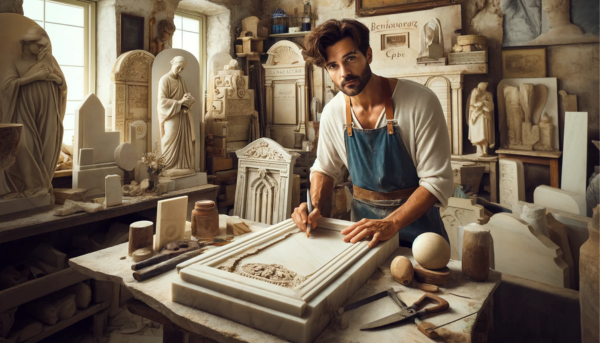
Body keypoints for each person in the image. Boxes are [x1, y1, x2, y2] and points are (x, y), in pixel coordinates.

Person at [292, 19, 453, 248]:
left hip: (421, 241)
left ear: (368, 55)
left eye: (350, 58)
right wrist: (314, 204)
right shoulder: (332, 112)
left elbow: (436, 182)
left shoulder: (420, 102)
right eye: (333, 66)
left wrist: (391, 223)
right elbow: (325, 168)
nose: (344, 73)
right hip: (363, 239)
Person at [0, 25, 67, 199]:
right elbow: (7, 86)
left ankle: (41, 188)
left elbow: (62, 84)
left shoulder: (48, 59)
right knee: (24, 146)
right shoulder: (14, 61)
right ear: (27, 44)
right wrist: (33, 77)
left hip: (47, 112)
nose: (43, 48)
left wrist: (53, 78)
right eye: (38, 45)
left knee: (46, 147)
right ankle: (32, 188)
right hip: (23, 112)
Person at [157, 56, 196, 177]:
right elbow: (161, 101)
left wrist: (189, 99)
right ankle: (167, 165)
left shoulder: (181, 80)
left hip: (182, 115)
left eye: (182, 69)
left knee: (183, 142)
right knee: (169, 138)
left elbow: (186, 95)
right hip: (171, 115)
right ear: (172, 63)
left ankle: (181, 165)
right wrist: (179, 102)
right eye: (178, 67)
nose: (179, 71)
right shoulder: (164, 80)